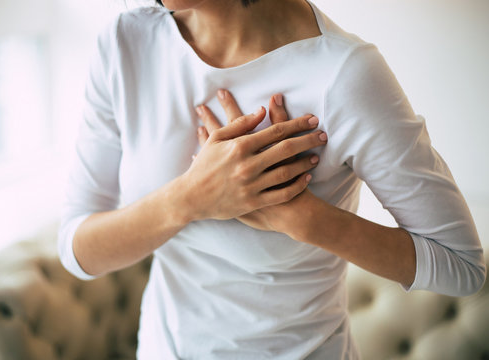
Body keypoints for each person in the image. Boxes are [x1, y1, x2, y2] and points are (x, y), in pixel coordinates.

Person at [58, 0, 486, 358]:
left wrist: (303, 219)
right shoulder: (125, 44)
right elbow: (78, 249)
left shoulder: (344, 73)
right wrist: (189, 198)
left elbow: (462, 268)